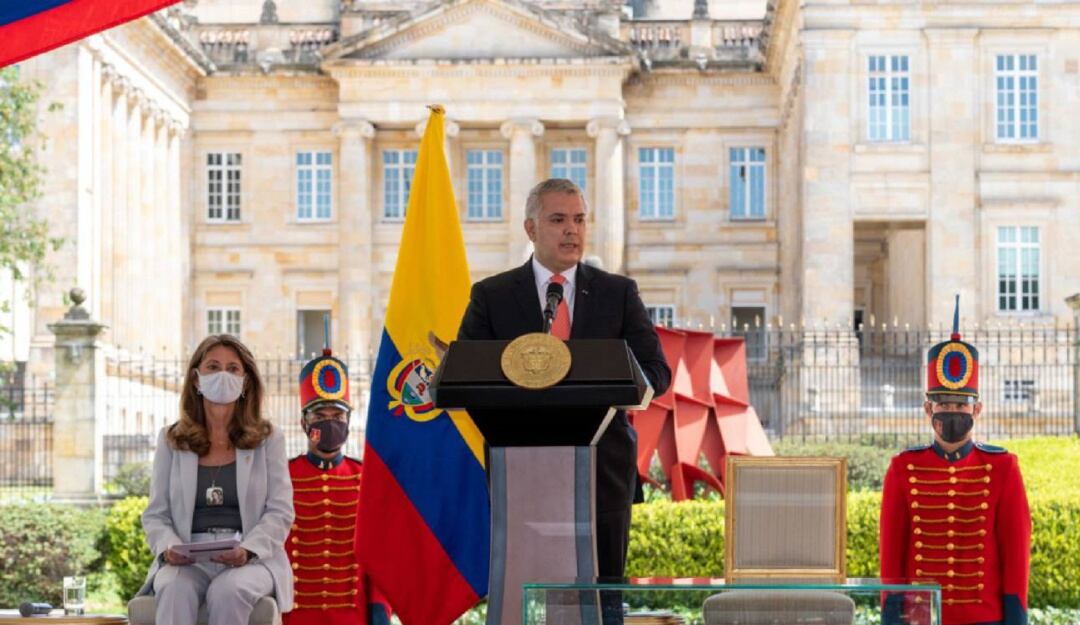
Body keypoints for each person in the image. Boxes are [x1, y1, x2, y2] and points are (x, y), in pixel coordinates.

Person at [457, 178, 672, 591]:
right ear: (531, 229)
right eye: (558, 220)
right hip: (520, 470)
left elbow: (656, 372)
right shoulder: (492, 296)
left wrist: (618, 381)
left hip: (601, 473)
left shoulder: (618, 293)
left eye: (579, 219)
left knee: (602, 595)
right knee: (525, 593)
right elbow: (466, 376)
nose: (572, 230)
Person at [880, 298, 1031, 625]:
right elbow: (891, 555)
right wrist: (891, 616)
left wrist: (1016, 617)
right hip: (921, 619)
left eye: (961, 406)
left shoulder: (1004, 468)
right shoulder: (903, 469)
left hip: (984, 618)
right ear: (927, 410)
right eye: (943, 404)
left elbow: (1016, 554)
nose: (952, 412)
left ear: (977, 410)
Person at [139, 335, 295, 625]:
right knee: (172, 588)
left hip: (251, 558)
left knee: (228, 590)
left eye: (233, 369)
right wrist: (169, 547)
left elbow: (280, 511)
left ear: (246, 381)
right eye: (213, 366)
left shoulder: (268, 439)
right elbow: (156, 514)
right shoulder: (171, 439)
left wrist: (248, 550)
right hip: (188, 557)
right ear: (196, 379)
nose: (223, 375)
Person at [283, 348, 391, 625]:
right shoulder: (283, 476)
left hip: (351, 618)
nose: (330, 422)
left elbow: (378, 556)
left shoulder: (365, 477)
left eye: (337, 416)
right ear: (304, 423)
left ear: (348, 422)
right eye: (320, 416)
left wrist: (379, 613)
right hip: (293, 617)